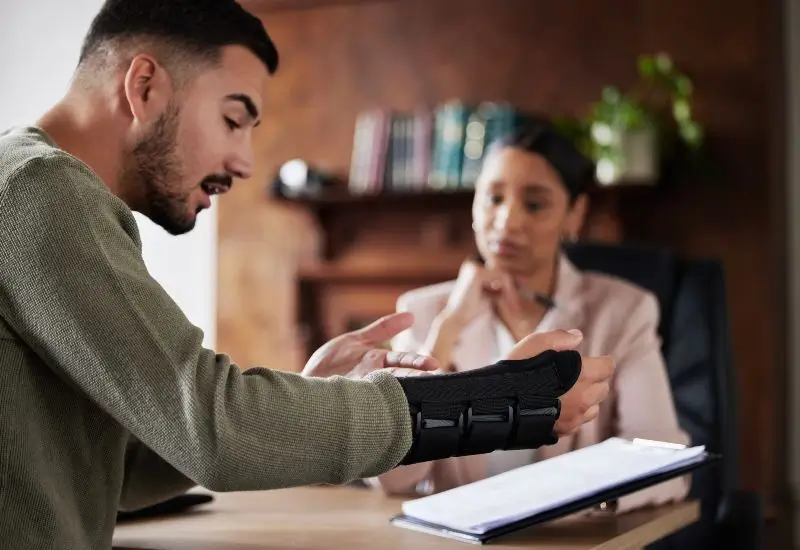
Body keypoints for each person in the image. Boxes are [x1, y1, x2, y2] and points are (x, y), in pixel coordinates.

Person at [0, 1, 616, 548]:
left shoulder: (38, 192)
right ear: (144, 87)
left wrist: (309, 390)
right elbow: (212, 430)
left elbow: (128, 467)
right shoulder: (40, 187)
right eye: (234, 119)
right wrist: (512, 398)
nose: (243, 161)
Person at [369, 119, 690, 513]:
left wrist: (587, 499)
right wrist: (449, 325)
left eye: (534, 204)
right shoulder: (425, 311)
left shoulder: (623, 311)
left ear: (575, 214)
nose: (507, 221)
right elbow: (391, 477)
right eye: (493, 198)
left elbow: (664, 459)